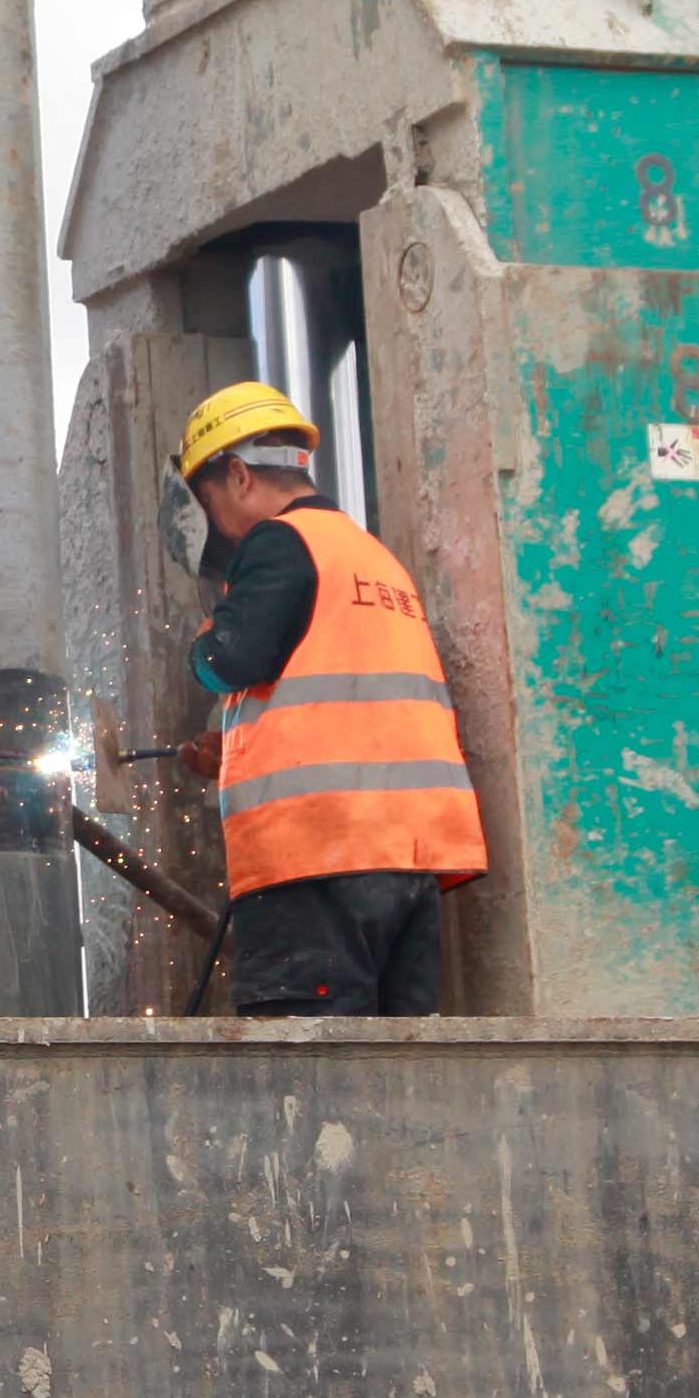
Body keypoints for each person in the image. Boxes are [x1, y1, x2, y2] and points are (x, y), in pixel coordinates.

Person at [173, 381, 486, 1016]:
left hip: (318, 862)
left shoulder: (280, 542)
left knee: (304, 1075)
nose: (218, 530)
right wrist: (236, 751)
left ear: (237, 476)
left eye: (207, 503)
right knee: (392, 1074)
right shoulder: (370, 556)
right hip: (408, 864)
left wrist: (203, 643)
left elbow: (230, 660)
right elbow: (344, 702)